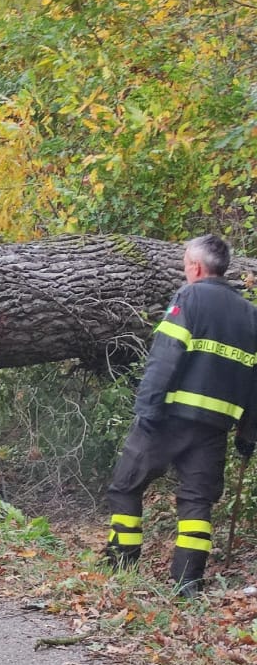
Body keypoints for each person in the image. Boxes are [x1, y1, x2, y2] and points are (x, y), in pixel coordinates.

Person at [104, 234, 257, 595]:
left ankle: (122, 565)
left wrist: (146, 408)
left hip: (169, 419)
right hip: (214, 428)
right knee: (196, 502)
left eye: (186, 263)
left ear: (197, 267)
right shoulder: (251, 316)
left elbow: (166, 356)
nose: (185, 269)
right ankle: (187, 584)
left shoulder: (190, 297)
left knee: (126, 485)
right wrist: (249, 433)